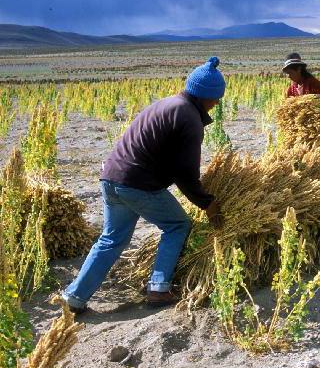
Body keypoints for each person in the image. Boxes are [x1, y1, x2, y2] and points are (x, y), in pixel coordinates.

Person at [62, 56, 226, 314]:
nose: (216, 104)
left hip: (110, 178)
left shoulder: (165, 104)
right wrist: (207, 203)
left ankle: (75, 297)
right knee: (177, 224)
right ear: (206, 96)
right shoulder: (190, 119)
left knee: (111, 239)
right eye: (216, 98)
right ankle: (159, 288)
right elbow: (185, 172)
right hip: (137, 184)